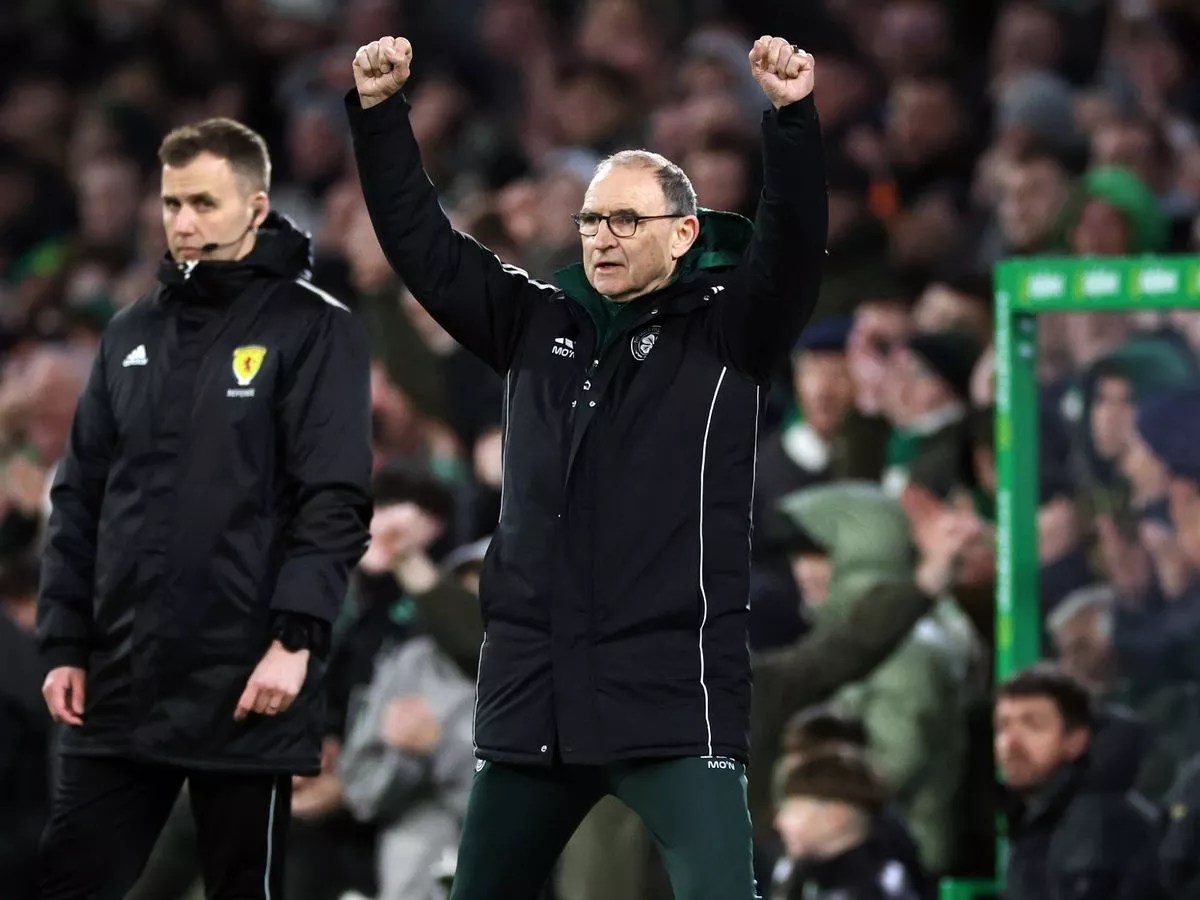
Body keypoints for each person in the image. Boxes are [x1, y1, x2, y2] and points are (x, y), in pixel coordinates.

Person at [347, 32, 826, 900]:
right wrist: (381, 119)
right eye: (592, 220)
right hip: (536, 698)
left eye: (626, 220)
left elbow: (791, 245)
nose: (602, 237)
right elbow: (423, 247)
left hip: (673, 697)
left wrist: (791, 122)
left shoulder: (730, 328)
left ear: (684, 233)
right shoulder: (535, 322)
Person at [35, 117, 374, 900]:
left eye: (205, 203)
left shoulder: (316, 328)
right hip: (118, 680)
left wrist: (297, 639)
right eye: (172, 203)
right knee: (65, 882)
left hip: (247, 679)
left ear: (257, 207)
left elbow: (335, 500)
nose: (184, 223)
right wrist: (63, 643)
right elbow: (80, 495)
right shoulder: (129, 334)